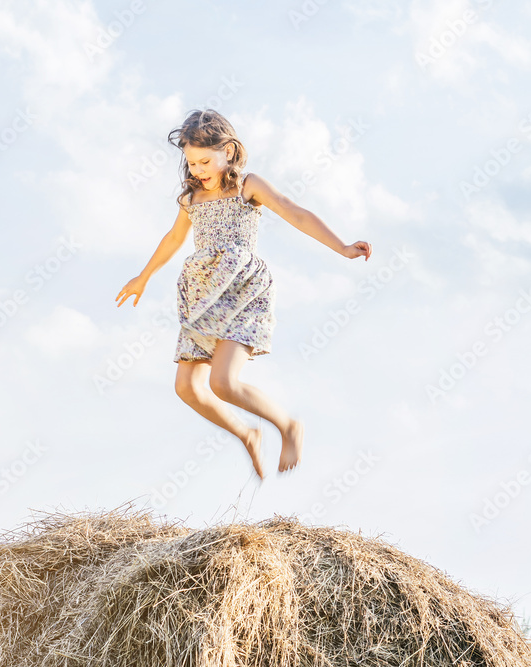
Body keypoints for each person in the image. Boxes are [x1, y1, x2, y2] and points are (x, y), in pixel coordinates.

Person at [116, 109, 371, 480]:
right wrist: (143, 277)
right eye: (191, 162)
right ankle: (246, 433)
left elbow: (293, 212)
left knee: (223, 383)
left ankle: (287, 426)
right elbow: (173, 240)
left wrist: (343, 247)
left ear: (230, 151)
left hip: (240, 290)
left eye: (205, 160)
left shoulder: (247, 185)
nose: (198, 169)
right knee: (186, 388)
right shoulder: (192, 198)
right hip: (203, 294)